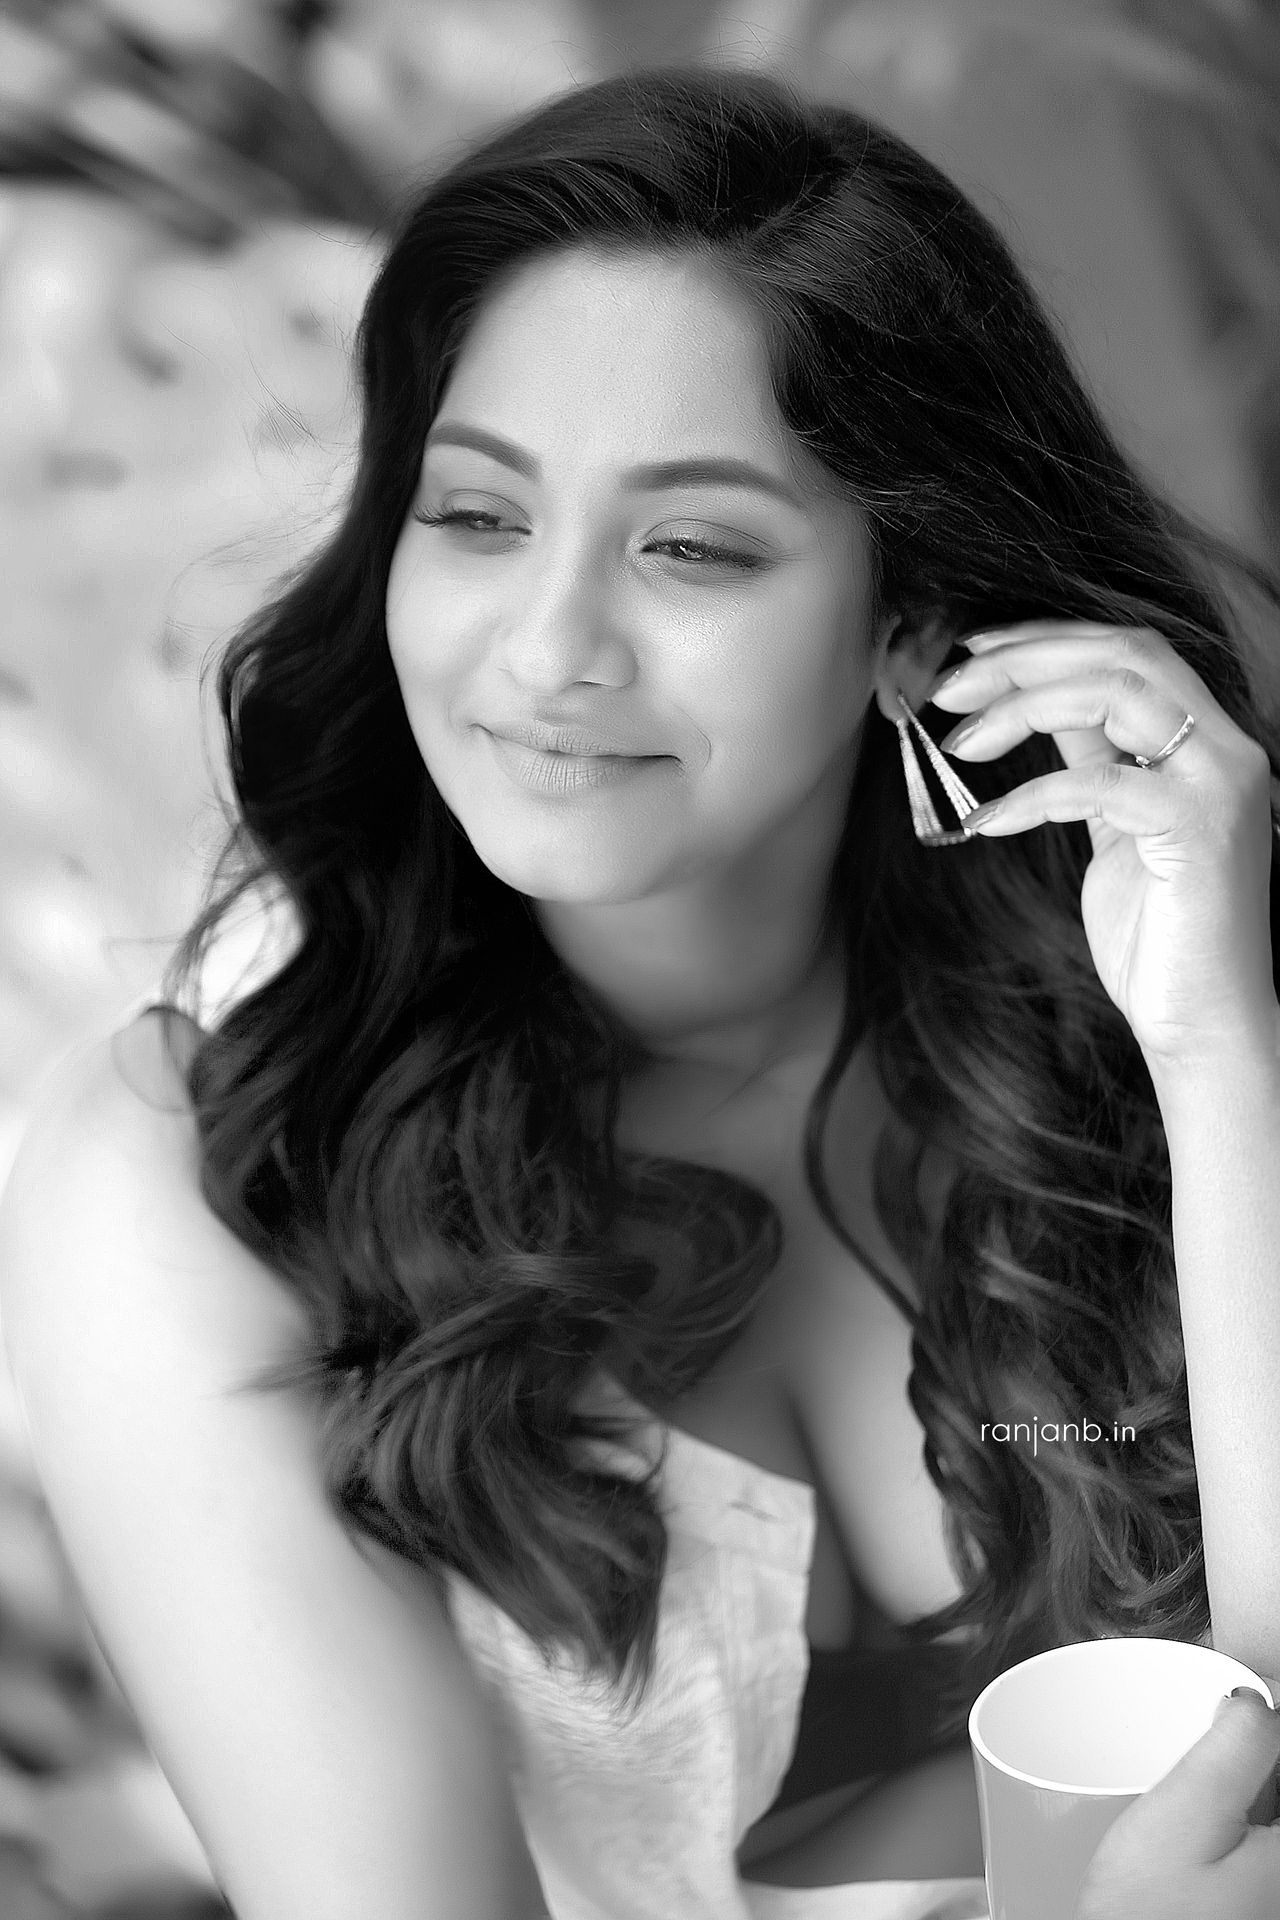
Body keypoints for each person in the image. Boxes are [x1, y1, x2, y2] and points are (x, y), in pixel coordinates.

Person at [2, 64, 1280, 1920]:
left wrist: (1219, 1049)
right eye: (477, 518)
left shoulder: (1180, 983)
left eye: (691, 544)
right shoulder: (194, 1183)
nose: (545, 650)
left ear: (910, 618)